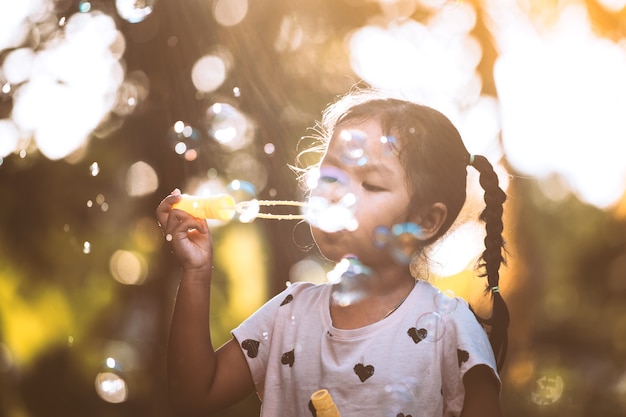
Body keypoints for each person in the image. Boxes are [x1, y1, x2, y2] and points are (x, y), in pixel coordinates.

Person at [156, 88, 509, 417]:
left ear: (424, 221)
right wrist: (197, 273)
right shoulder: (288, 314)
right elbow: (194, 396)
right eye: (328, 177)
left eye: (370, 184)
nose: (335, 194)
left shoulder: (449, 328)